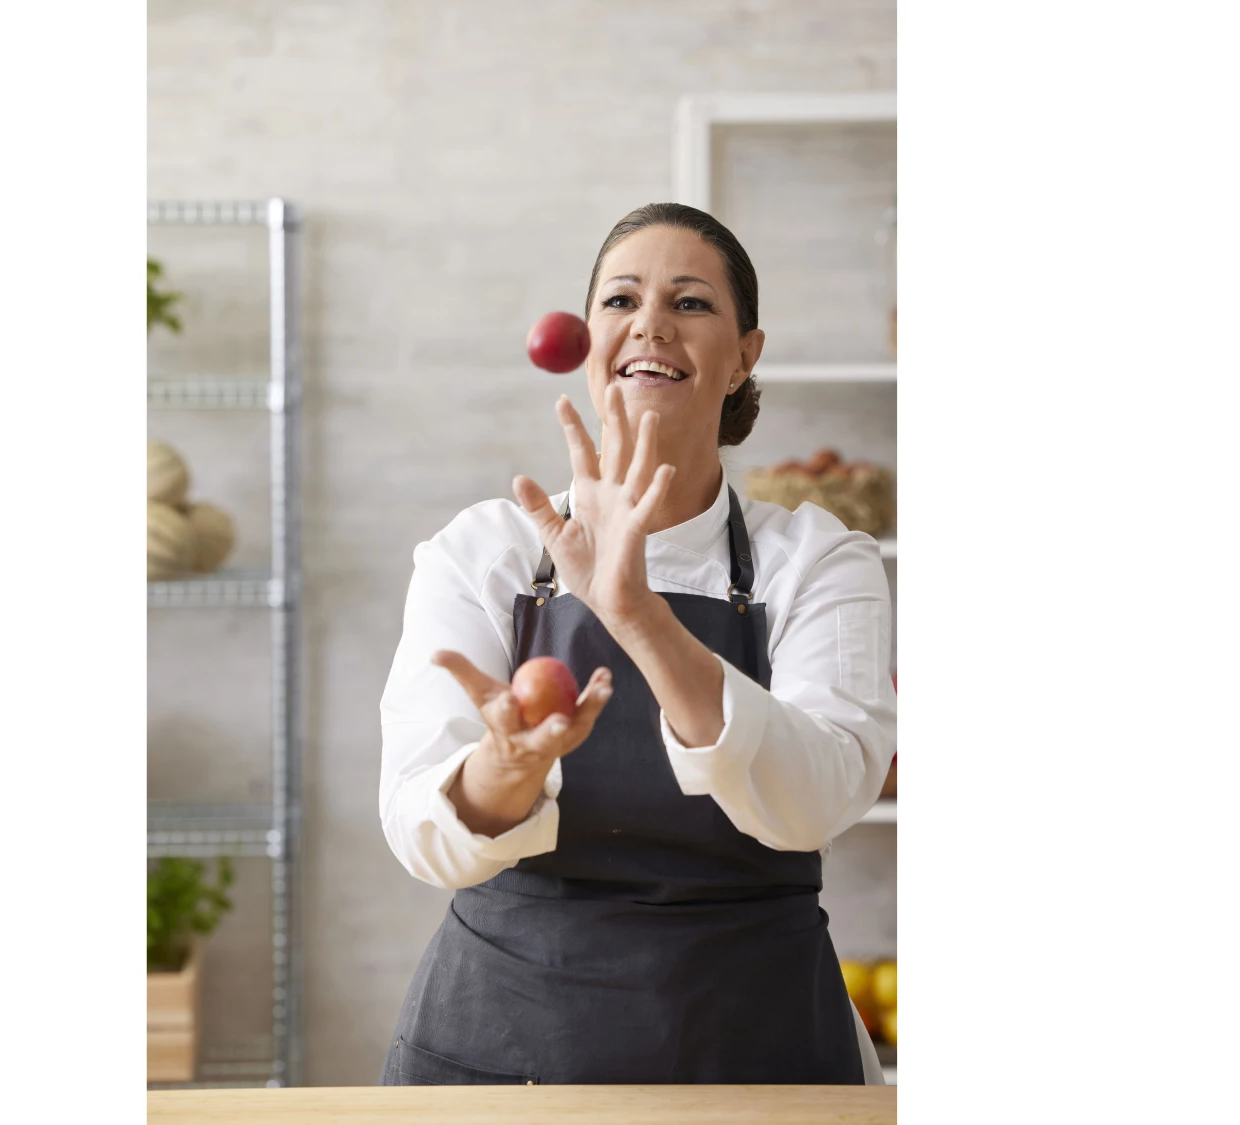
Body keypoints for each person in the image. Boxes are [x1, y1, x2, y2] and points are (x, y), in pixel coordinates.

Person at [376, 202, 896, 1086]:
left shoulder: (816, 559)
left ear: (744, 356)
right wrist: (506, 767)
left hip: (758, 1049)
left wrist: (637, 613)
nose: (650, 322)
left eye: (690, 302)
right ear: (586, 342)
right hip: (501, 1050)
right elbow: (420, 831)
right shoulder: (485, 549)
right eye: (621, 299)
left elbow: (820, 799)